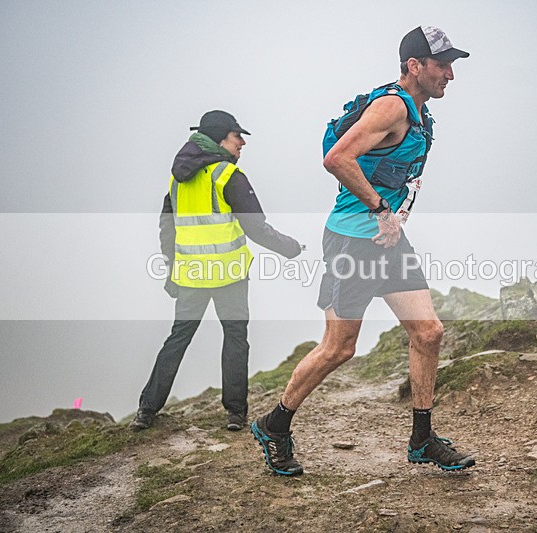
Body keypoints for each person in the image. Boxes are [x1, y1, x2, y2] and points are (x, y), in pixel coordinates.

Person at [251, 26, 474, 475]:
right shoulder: (392, 106)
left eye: (452, 65)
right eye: (442, 65)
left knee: (428, 333)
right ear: (415, 66)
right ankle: (274, 425)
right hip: (353, 240)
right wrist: (380, 209)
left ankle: (422, 439)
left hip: (387, 241)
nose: (450, 74)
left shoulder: (419, 112)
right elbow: (337, 158)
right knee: (339, 348)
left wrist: (389, 217)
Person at [131, 110, 301, 432]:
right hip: (229, 276)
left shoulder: (177, 179)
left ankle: (146, 410)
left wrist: (171, 269)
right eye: (238, 136)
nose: (242, 143)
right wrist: (291, 247)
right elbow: (256, 227)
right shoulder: (227, 175)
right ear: (220, 138)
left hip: (190, 275)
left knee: (178, 338)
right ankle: (235, 414)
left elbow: (167, 228)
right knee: (235, 338)